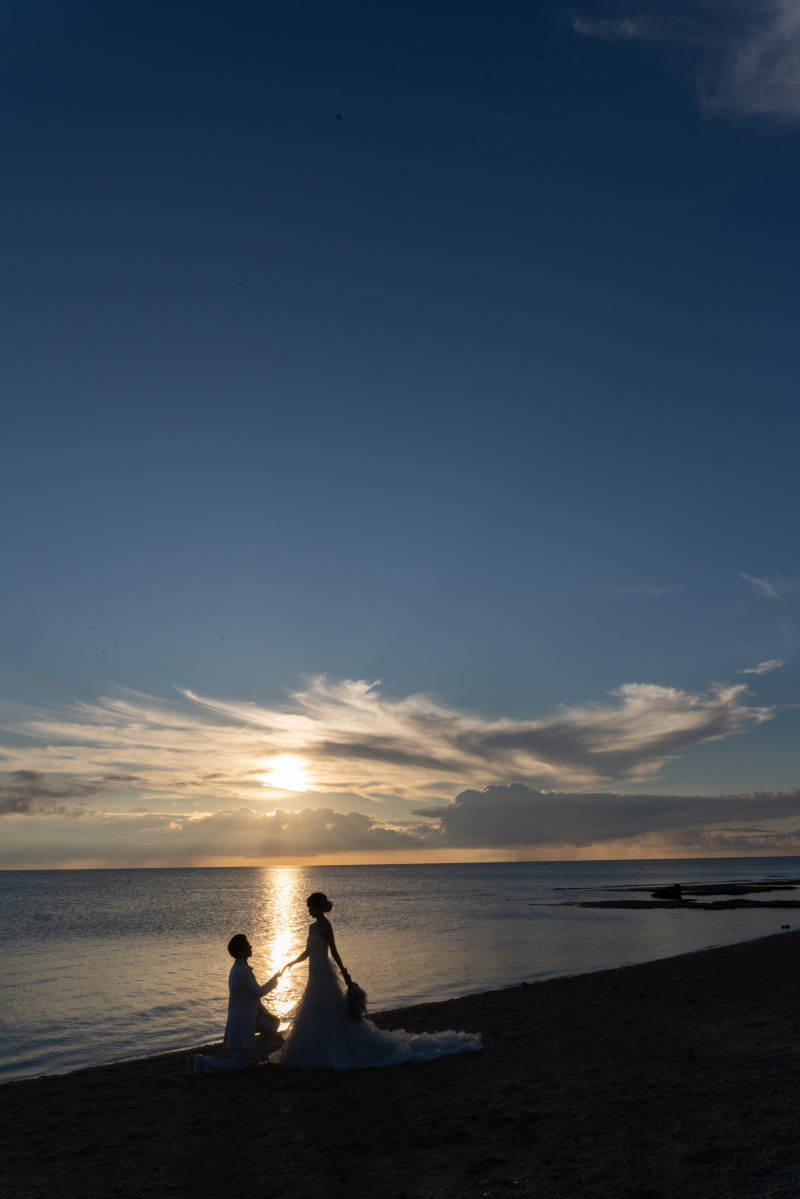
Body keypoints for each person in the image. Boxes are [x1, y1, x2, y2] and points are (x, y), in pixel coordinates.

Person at [270, 891, 483, 1071]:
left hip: (324, 974)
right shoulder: (311, 928)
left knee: (327, 1010)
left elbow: (334, 952)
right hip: (312, 975)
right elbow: (308, 951)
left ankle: (332, 1048)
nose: (308, 911)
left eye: (310, 907)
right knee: (314, 1010)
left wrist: (345, 974)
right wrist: (291, 963)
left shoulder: (326, 927)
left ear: (319, 907)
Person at [192, 934, 283, 1075]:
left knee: (272, 1025)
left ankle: (255, 1058)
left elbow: (254, 998)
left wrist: (267, 1014)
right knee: (240, 1067)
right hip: (241, 1023)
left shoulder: (242, 969)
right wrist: (274, 981)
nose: (251, 946)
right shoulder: (241, 971)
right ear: (241, 951)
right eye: (248, 944)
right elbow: (258, 992)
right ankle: (201, 1062)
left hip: (249, 1020)